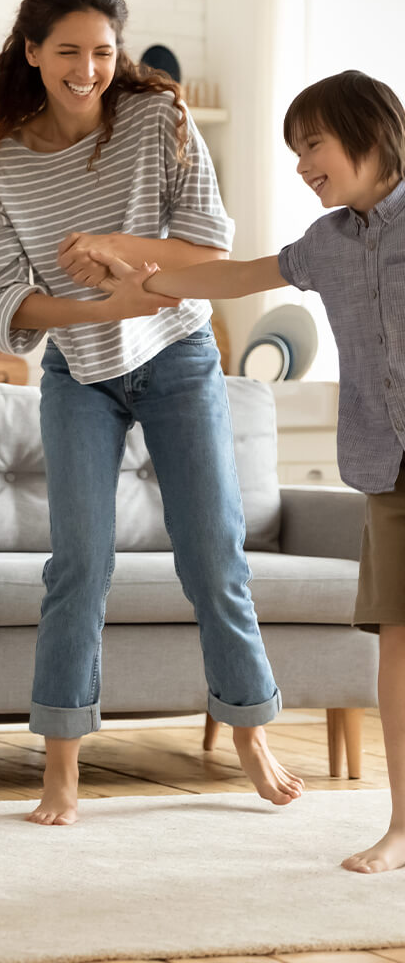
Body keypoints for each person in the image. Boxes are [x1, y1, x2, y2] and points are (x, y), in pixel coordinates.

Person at [0, 0, 303, 825]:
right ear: (31, 52)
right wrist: (104, 301)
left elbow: (209, 241)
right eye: (68, 50)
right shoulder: (0, 161)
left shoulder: (158, 118)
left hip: (177, 357)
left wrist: (111, 247)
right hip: (80, 372)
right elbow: (0, 295)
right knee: (80, 565)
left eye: (103, 51)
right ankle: (62, 764)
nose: (88, 68)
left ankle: (249, 729)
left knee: (213, 555)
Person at [95, 68, 405, 873]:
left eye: (314, 144)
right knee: (398, 647)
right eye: (295, 150)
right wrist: (151, 283)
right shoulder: (328, 246)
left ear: (370, 132)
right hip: (388, 470)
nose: (302, 164)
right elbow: (240, 275)